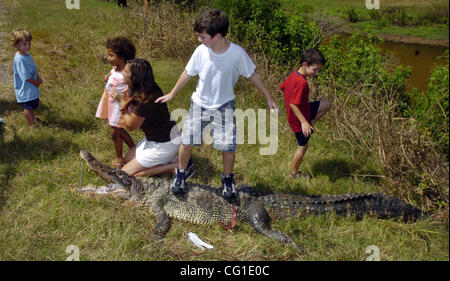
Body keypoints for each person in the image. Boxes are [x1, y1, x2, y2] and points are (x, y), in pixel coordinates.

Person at [155, 8, 278, 198]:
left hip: (225, 106)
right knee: (187, 142)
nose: (199, 40)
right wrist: (172, 93)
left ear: (217, 36)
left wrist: (269, 97)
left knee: (228, 146)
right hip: (199, 104)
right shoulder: (200, 51)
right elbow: (188, 72)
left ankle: (228, 180)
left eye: (202, 37)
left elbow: (253, 75)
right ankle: (181, 174)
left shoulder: (237, 53)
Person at [111, 58, 191, 177]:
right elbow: (133, 99)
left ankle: (173, 166)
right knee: (128, 158)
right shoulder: (149, 88)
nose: (122, 72)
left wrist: (122, 105)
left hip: (164, 144)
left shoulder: (146, 100)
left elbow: (131, 126)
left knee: (124, 174)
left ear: (135, 77)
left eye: (126, 72)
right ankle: (172, 158)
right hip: (159, 138)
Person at [280, 48, 331, 179]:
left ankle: (311, 121)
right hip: (298, 120)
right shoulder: (302, 82)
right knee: (303, 147)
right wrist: (303, 122)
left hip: (305, 110)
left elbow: (282, 87)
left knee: (326, 104)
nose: (317, 73)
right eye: (315, 69)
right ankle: (293, 173)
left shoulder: (294, 75)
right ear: (305, 65)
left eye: (318, 70)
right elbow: (292, 104)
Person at [96, 36, 136, 167]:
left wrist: (127, 103)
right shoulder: (116, 68)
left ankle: (118, 157)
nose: (108, 58)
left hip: (120, 105)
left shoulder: (128, 72)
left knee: (114, 132)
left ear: (122, 56)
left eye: (111, 55)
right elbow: (113, 77)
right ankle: (132, 147)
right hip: (111, 102)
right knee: (117, 130)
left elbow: (134, 91)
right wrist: (108, 77)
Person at [11, 29, 43, 127]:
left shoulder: (26, 54)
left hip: (31, 86)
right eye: (24, 44)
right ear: (16, 45)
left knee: (32, 105)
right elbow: (25, 76)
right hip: (26, 88)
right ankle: (31, 125)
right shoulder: (19, 59)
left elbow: (33, 68)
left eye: (29, 43)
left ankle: (33, 119)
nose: (28, 46)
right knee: (28, 107)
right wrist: (35, 82)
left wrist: (38, 77)